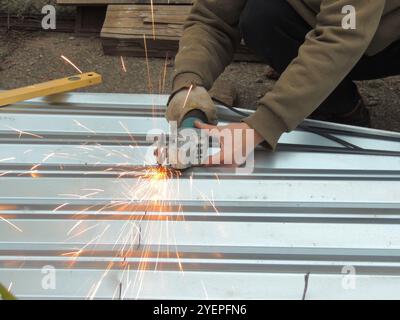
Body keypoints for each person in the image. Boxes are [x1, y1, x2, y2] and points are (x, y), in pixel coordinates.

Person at [166, 0, 400, 165]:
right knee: (262, 17)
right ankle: (343, 107)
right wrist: (190, 82)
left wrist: (263, 125)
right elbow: (213, 17)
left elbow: (342, 37)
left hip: (385, 36)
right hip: (341, 22)